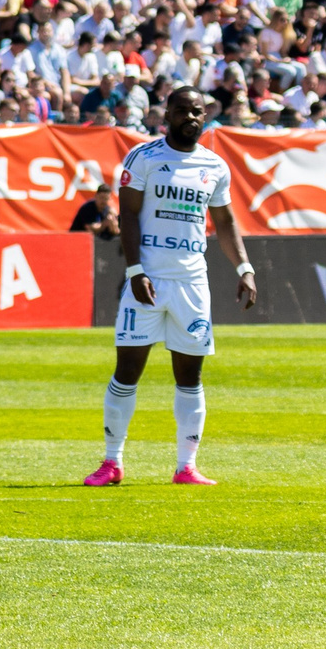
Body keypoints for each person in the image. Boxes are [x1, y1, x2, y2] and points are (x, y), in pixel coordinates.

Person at [89, 86, 256, 490]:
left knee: (190, 375)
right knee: (127, 371)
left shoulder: (214, 166)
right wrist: (135, 270)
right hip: (146, 280)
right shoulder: (144, 157)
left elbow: (226, 222)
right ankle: (112, 462)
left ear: (205, 115)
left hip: (192, 283)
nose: (190, 117)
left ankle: (186, 466)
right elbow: (128, 215)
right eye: (182, 110)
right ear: (167, 114)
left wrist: (246, 268)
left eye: (197, 111)